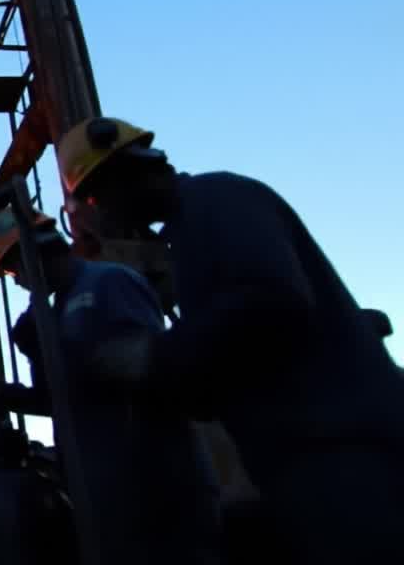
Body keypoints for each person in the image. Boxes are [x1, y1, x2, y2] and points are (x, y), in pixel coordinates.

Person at [57, 116, 404, 564]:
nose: (105, 215)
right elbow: (223, 360)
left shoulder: (217, 198)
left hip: (344, 451)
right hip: (297, 460)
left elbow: (272, 297)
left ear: (124, 176)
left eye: (97, 198)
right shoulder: (185, 235)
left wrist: (156, 355)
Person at [0, 206, 222, 565]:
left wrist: (51, 348)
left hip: (154, 488)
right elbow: (61, 400)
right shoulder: (57, 311)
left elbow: (144, 370)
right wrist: (3, 392)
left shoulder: (109, 283)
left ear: (36, 251)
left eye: (14, 269)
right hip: (101, 495)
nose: (17, 282)